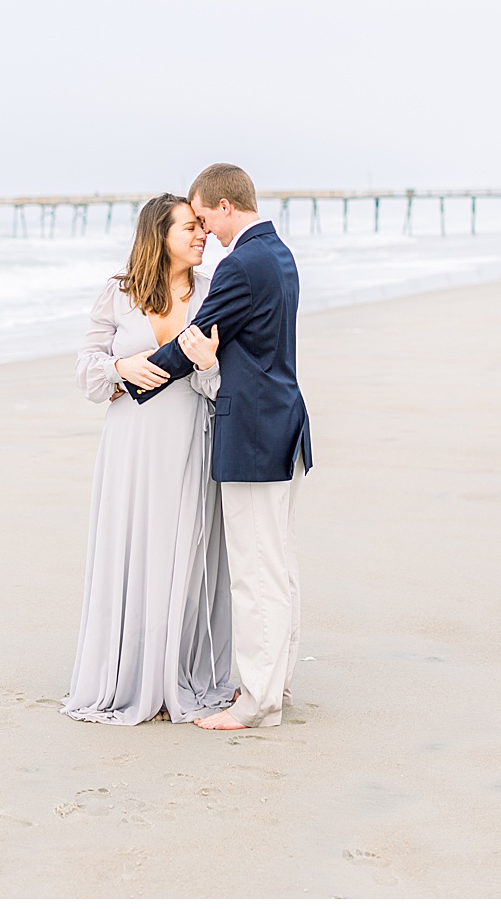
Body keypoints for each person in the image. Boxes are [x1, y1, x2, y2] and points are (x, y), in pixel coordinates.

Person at [127, 163, 312, 730]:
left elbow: (195, 338)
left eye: (203, 216)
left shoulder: (242, 265)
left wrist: (132, 377)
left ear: (224, 206)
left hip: (254, 435)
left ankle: (257, 703)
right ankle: (273, 681)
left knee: (255, 572)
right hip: (282, 426)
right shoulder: (278, 254)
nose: (204, 230)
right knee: (277, 567)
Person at [65, 193, 234, 724]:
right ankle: (131, 676)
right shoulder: (120, 294)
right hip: (130, 446)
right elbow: (87, 371)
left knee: (184, 551)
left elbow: (221, 383)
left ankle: (175, 678)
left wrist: (208, 366)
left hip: (189, 439)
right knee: (133, 548)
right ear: (158, 234)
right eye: (189, 227)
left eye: (202, 227)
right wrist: (121, 366)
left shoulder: (213, 294)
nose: (201, 234)